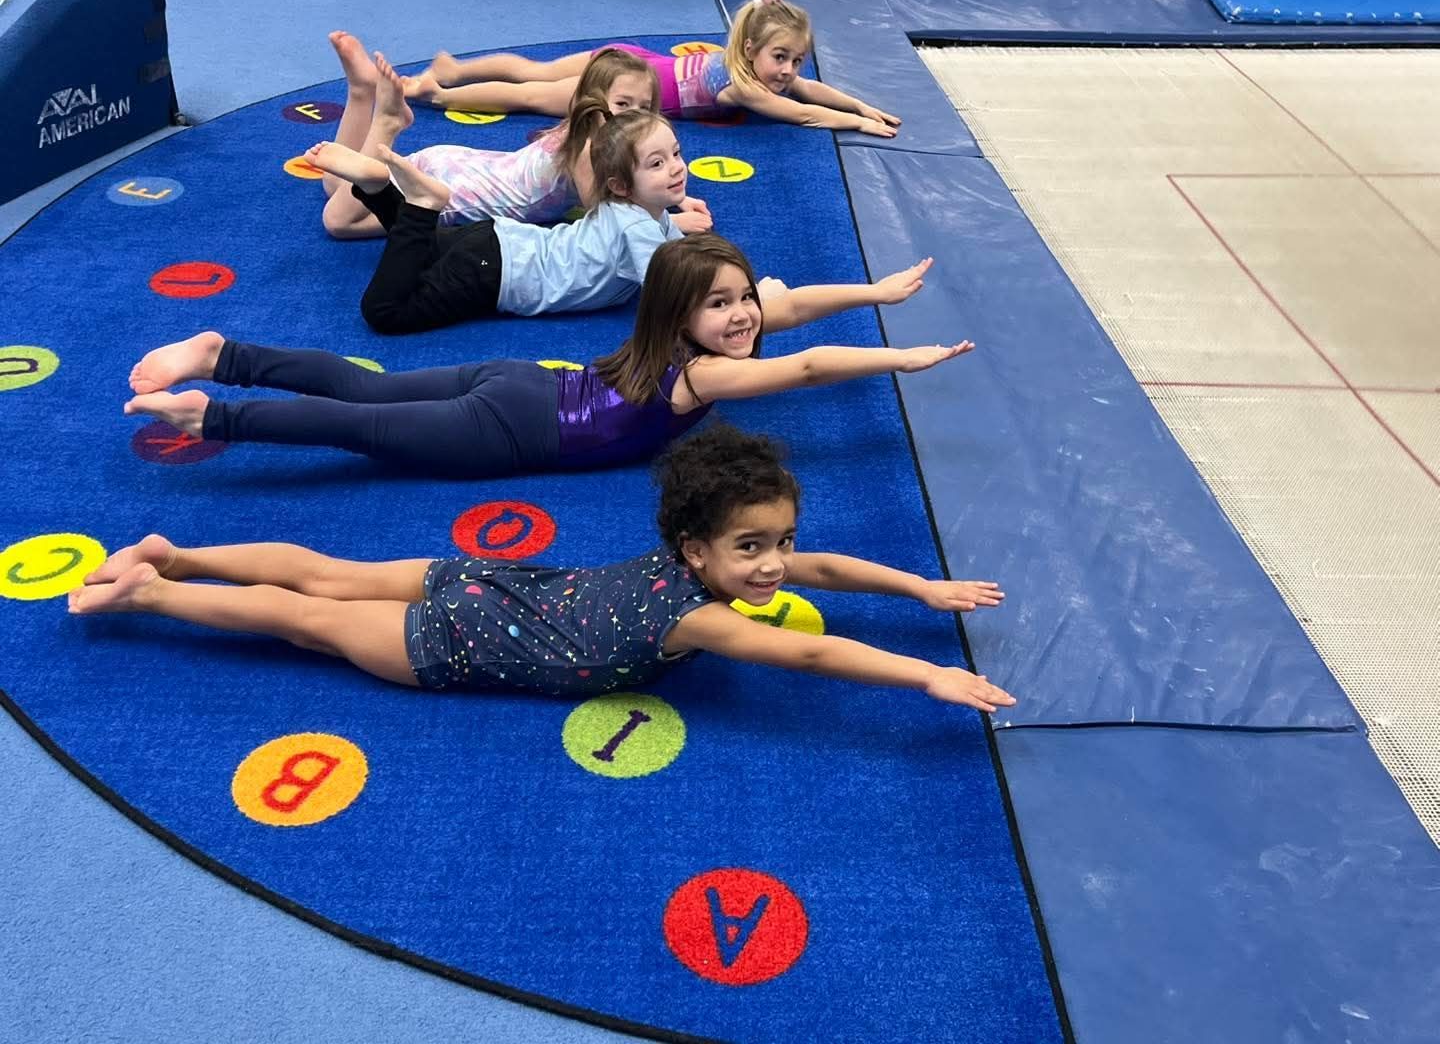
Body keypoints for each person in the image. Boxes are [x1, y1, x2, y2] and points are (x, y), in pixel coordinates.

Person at [71, 425, 1015, 712]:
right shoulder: (703, 614)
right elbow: (812, 658)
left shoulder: (713, 561)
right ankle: (155, 584)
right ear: (697, 551)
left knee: (323, 571)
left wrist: (921, 589)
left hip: (497, 580)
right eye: (753, 549)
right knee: (303, 613)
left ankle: (172, 549)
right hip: (455, 635)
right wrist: (925, 669)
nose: (775, 568)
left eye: (775, 544)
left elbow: (831, 570)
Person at [121, 233, 954, 477]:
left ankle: (221, 350)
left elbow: (794, 305)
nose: (742, 317)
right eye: (722, 304)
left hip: (523, 377)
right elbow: (806, 365)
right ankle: (212, 412)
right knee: (358, 424)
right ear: (682, 312)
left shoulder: (677, 335)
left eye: (743, 300)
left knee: (366, 386)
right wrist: (900, 359)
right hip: (515, 429)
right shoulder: (706, 371)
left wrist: (875, 295)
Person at [311, 105, 695, 334]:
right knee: (385, 313)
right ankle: (420, 203)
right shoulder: (639, 226)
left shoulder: (648, 216)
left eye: (676, 154)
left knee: (421, 250)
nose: (677, 168)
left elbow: (690, 259)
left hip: (497, 240)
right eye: (657, 164)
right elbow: (674, 293)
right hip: (494, 274)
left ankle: (378, 188)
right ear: (620, 186)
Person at [316, 36, 714, 239]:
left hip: (460, 163)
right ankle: (385, 121)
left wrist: (670, 196)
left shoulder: (584, 125)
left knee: (337, 182)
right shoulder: (592, 149)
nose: (637, 117)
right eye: (625, 104)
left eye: (644, 108)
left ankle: (360, 92)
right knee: (339, 220)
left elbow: (629, 190)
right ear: (596, 102)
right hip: (457, 197)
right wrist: (670, 223)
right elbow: (608, 221)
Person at [405, 0, 901, 137]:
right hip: (627, 86)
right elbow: (807, 112)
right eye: (781, 58)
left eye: (796, 59)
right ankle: (442, 91)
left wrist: (862, 107)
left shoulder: (752, 67)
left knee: (535, 72)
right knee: (530, 94)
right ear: (750, 50)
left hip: (636, 60)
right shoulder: (748, 86)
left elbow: (811, 91)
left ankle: (456, 68)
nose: (790, 71)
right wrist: (858, 126)